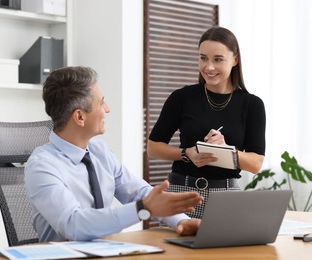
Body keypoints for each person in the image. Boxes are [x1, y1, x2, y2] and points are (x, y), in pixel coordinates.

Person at [25, 66, 203, 242]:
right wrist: (143, 209)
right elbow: (74, 225)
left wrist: (182, 221)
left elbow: (137, 192)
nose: (107, 109)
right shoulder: (42, 166)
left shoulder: (98, 149)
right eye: (102, 103)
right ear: (80, 117)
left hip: (106, 251)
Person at [147, 26, 266, 219]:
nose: (208, 67)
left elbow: (255, 163)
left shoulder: (252, 105)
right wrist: (187, 154)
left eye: (218, 59)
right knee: (177, 249)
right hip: (181, 193)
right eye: (203, 58)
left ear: (235, 60)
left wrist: (227, 149)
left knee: (225, 250)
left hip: (226, 197)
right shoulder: (181, 97)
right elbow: (153, 148)